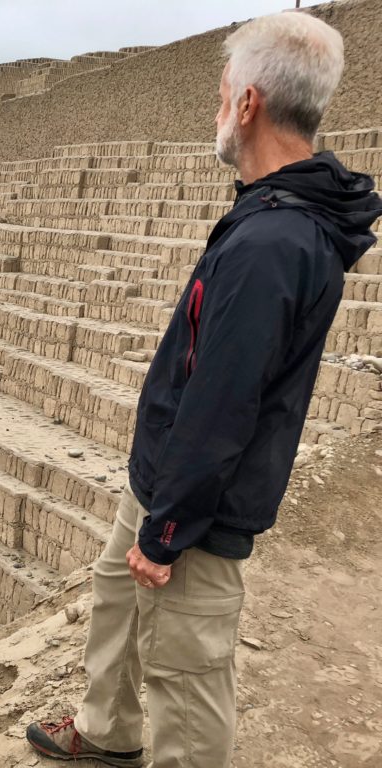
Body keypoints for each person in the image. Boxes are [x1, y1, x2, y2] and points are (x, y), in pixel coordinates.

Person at [26, 10, 382, 768]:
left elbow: (224, 402)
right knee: (116, 602)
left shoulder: (272, 242)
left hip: (197, 502)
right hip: (163, 478)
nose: (216, 112)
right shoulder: (269, 215)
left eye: (222, 95)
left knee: (186, 673)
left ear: (248, 103)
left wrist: (169, 528)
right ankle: (107, 729)